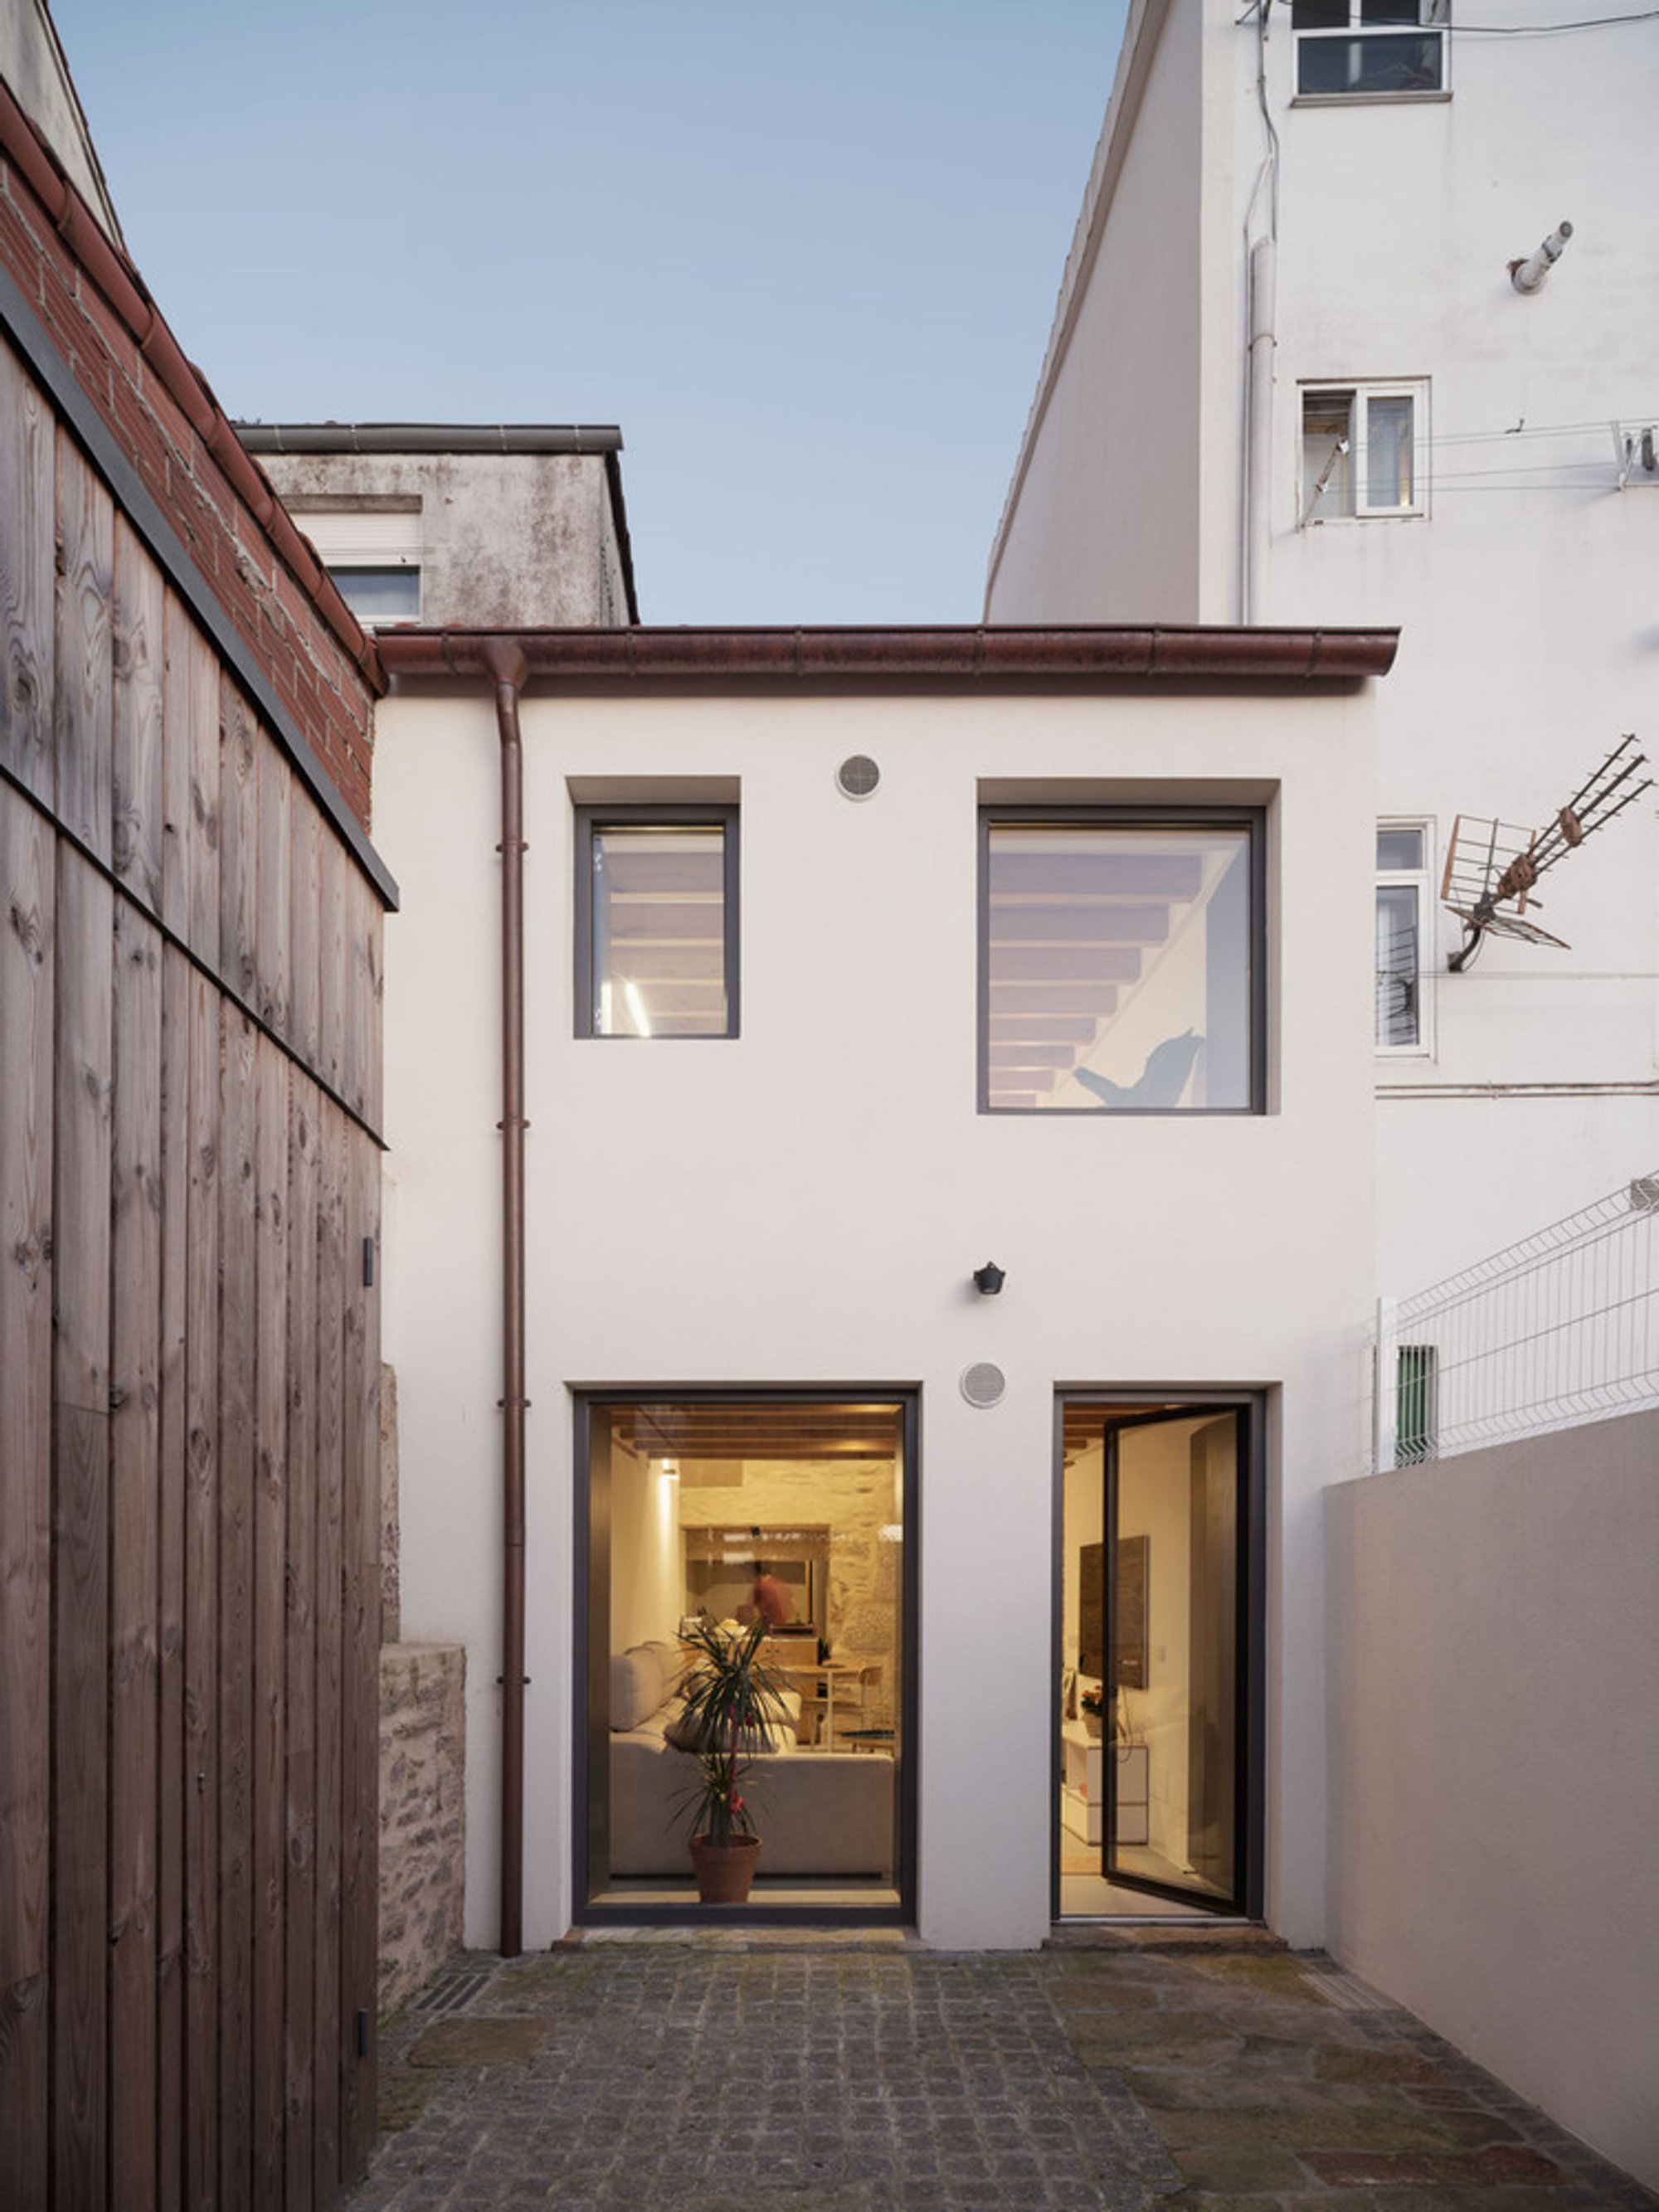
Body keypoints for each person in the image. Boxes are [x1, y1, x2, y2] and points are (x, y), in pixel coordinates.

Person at [749, 1563, 790, 1630]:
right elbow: (792, 1605)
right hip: (782, 1625)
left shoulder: (760, 1586)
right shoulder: (781, 1584)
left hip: (770, 1627)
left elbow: (757, 1612)